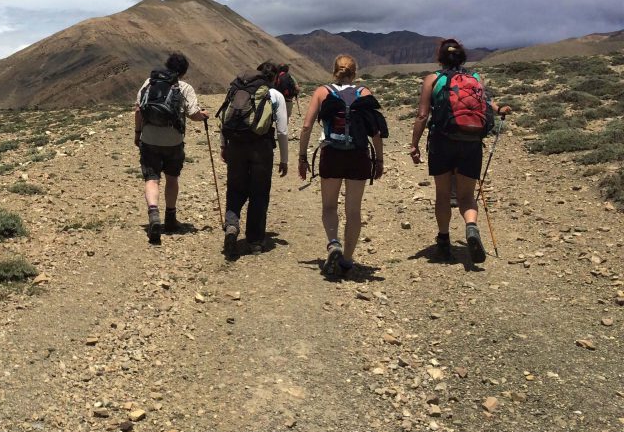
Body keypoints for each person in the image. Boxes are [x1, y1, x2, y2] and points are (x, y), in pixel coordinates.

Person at [409, 39, 511, 263]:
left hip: (441, 143)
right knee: (466, 196)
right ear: (463, 57)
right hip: (471, 142)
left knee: (443, 195)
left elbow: (422, 116)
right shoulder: (475, 79)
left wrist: (414, 144)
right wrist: (499, 108)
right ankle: (471, 227)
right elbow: (485, 102)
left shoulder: (432, 79)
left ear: (440, 58)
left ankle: (444, 241)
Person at [297, 55, 387, 276]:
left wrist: (302, 157)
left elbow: (307, 126)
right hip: (359, 155)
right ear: (354, 73)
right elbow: (375, 131)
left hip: (332, 154)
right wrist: (379, 160)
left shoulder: (322, 92)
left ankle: (334, 243)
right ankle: (347, 261)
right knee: (353, 210)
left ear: (333, 71)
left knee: (329, 206)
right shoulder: (364, 93)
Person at [135, 52, 209, 245]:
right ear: (183, 71)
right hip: (173, 141)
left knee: (152, 179)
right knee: (172, 178)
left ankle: (153, 214)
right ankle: (170, 218)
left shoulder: (148, 83)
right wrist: (203, 115)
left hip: (149, 138)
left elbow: (138, 111)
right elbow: (193, 114)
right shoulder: (184, 87)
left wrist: (137, 134)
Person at [218, 61, 289, 259]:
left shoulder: (238, 90)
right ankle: (255, 241)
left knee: (235, 189)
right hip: (261, 149)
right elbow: (282, 131)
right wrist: (284, 159)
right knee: (259, 193)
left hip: (236, 146)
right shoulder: (275, 95)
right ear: (275, 78)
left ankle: (232, 226)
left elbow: (225, 118)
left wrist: (224, 146)